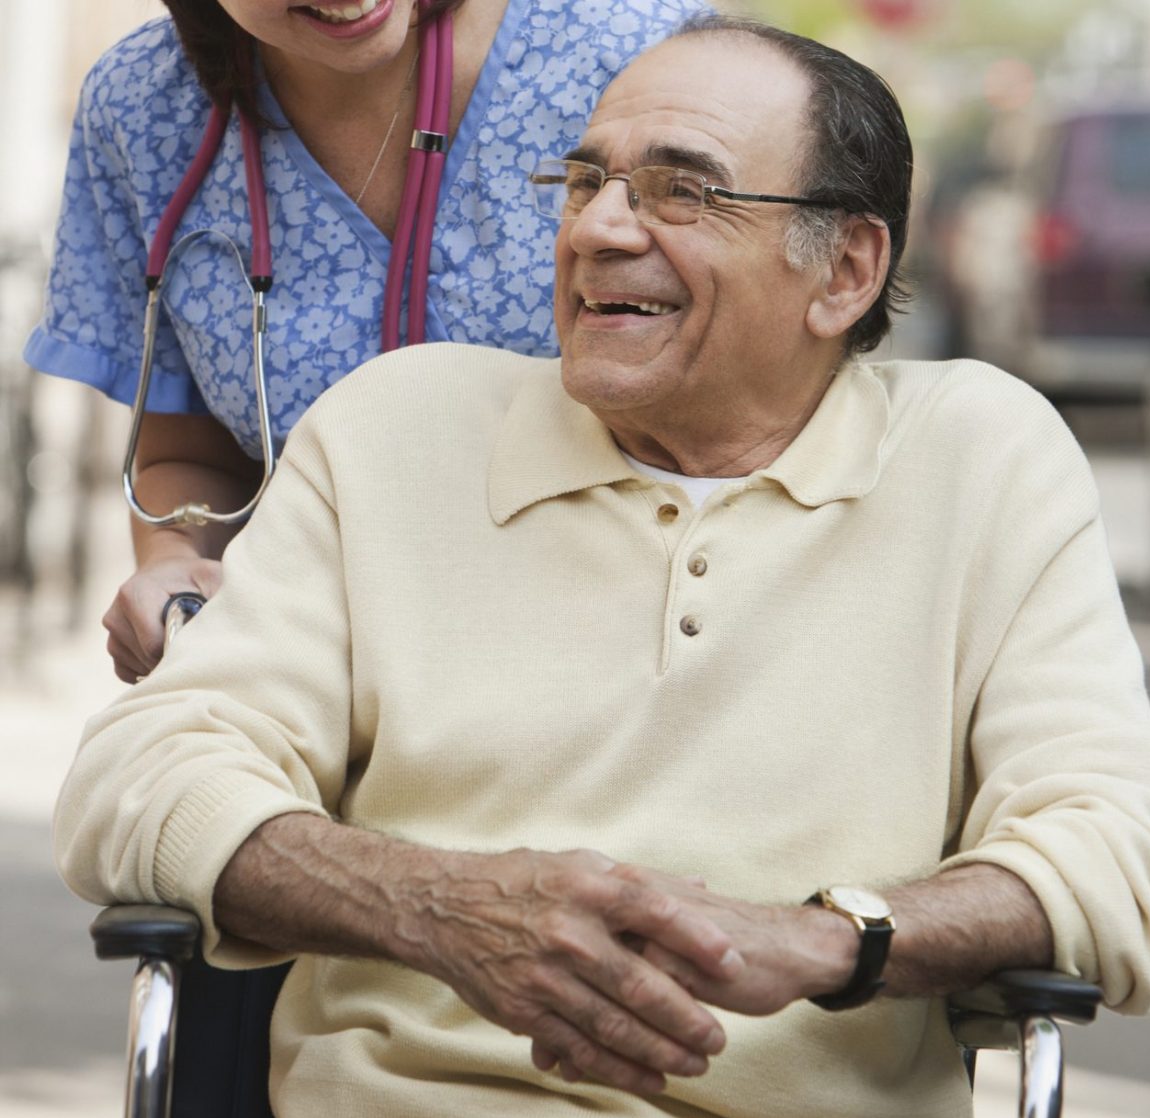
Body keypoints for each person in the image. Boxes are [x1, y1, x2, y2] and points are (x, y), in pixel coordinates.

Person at [54, 15, 1150, 1118]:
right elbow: (139, 775)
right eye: (588, 180)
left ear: (844, 267)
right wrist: (439, 909)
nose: (601, 227)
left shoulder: (981, 460)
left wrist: (836, 938)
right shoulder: (392, 433)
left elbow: (1131, 847)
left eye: (682, 189)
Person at [23, 0, 702, 684]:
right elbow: (188, 454)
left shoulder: (649, 59)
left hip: (622, 661)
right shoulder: (141, 106)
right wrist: (175, 565)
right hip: (314, 678)